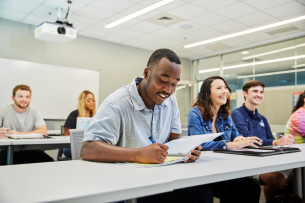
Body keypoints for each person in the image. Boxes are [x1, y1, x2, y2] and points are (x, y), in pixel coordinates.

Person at [81, 49, 213, 203]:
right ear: (146, 73)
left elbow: (173, 141)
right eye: (163, 81)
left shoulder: (170, 102)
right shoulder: (117, 103)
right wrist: (140, 154)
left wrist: (185, 153)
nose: (168, 90)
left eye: (174, 84)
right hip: (124, 179)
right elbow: (88, 149)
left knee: (202, 193)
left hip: (159, 176)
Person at [188, 76, 261, 203]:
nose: (225, 91)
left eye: (225, 87)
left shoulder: (225, 115)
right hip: (205, 169)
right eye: (219, 88)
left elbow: (236, 136)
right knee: (235, 189)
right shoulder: (195, 113)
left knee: (253, 186)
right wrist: (230, 144)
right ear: (207, 93)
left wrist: (239, 139)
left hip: (225, 166)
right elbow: (199, 144)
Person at [231, 80, 294, 201]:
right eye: (255, 91)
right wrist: (275, 142)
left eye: (261, 92)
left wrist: (279, 142)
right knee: (278, 179)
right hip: (248, 162)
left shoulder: (262, 119)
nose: (259, 94)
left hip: (266, 159)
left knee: (297, 173)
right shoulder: (237, 114)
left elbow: (270, 139)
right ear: (245, 93)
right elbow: (249, 140)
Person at [0, 84, 53, 165]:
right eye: (20, 96)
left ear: (30, 98)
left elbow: (43, 131)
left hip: (30, 149)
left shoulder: (35, 111)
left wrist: (18, 134)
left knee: (50, 162)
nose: (24, 99)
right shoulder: (3, 110)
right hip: (6, 149)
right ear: (13, 98)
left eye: (27, 97)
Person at [62, 90, 96, 158]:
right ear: (82, 102)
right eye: (88, 101)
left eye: (93, 100)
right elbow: (66, 134)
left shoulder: (95, 116)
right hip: (75, 144)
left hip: (90, 144)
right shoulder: (74, 114)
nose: (92, 103)